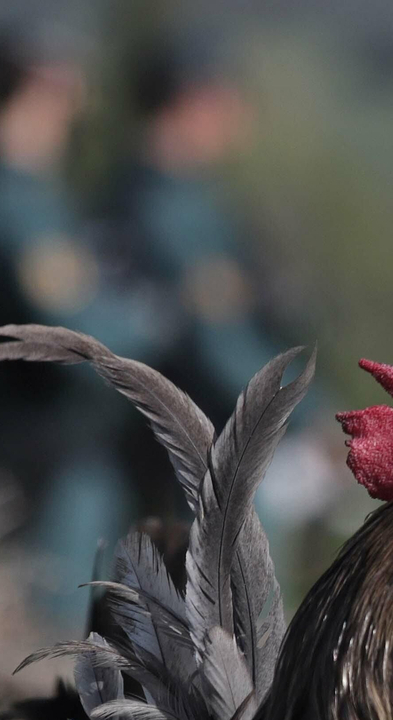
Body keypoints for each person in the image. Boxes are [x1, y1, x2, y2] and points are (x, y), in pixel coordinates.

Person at [0, 19, 165, 633]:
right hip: (50, 469)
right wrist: (158, 319)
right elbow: (79, 338)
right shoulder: (12, 205)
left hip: (55, 461)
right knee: (52, 645)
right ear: (41, 84)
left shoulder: (20, 195)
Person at [99, 29, 338, 536]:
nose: (239, 116)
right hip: (198, 458)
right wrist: (309, 415)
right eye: (228, 100)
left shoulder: (161, 195)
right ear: (194, 101)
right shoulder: (169, 212)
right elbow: (216, 342)